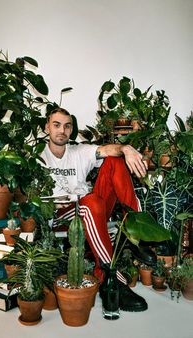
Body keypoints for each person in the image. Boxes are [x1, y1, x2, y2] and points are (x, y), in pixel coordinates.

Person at [40, 107, 155, 312]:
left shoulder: (78, 151)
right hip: (61, 215)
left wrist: (127, 149)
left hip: (90, 207)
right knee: (89, 203)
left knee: (114, 162)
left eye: (67, 126)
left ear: (71, 129)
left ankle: (139, 232)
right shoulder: (38, 157)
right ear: (47, 127)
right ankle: (112, 280)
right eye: (56, 125)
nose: (62, 130)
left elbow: (109, 150)